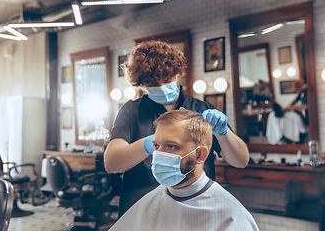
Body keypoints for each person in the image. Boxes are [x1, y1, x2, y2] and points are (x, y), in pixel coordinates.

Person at [104, 40, 249, 217]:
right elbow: (111, 163)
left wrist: (224, 133)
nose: (162, 88)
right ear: (142, 84)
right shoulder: (131, 111)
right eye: (153, 84)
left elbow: (241, 161)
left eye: (167, 80)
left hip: (195, 209)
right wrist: (152, 143)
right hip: (142, 211)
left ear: (178, 72)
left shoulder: (202, 111)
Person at [109, 110, 259, 231]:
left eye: (171, 146)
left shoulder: (231, 216)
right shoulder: (149, 202)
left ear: (200, 154)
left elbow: (241, 160)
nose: (159, 154)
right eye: (156, 146)